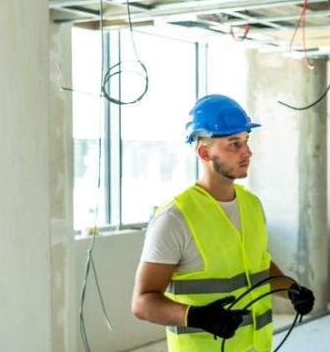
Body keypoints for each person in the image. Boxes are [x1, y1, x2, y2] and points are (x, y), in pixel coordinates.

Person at [132, 94, 315, 351]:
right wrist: (196, 316)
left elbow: (259, 267)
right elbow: (142, 303)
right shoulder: (174, 218)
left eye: (246, 141)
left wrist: (292, 290)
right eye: (234, 144)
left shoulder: (252, 205)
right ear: (204, 152)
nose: (247, 152)